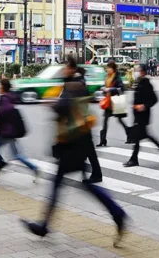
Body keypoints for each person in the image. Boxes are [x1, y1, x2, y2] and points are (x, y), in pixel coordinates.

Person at [24, 57, 127, 244]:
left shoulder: (75, 85)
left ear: (71, 68)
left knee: (65, 184)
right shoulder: (74, 83)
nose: (63, 70)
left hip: (73, 143)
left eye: (65, 67)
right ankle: (117, 213)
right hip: (75, 141)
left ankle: (45, 225)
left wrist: (50, 103)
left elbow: (64, 107)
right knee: (77, 184)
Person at [0, 79, 38, 185]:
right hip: (11, 131)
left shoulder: (4, 99)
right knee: (16, 155)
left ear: (3, 87)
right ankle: (34, 168)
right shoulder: (10, 97)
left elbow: (0, 117)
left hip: (4, 132)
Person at [123, 64, 159, 167]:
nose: (136, 71)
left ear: (143, 72)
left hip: (143, 114)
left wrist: (145, 106)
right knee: (144, 135)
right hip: (137, 113)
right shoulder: (138, 81)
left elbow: (154, 99)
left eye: (138, 70)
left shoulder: (146, 83)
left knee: (137, 137)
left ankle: (134, 159)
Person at [97, 62, 128, 147]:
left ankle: (130, 135)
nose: (107, 69)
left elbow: (121, 88)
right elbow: (105, 85)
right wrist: (103, 88)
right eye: (107, 68)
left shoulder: (117, 77)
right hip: (108, 102)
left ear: (113, 69)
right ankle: (103, 140)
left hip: (115, 101)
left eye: (109, 68)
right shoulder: (107, 76)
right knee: (105, 121)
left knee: (120, 120)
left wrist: (110, 89)